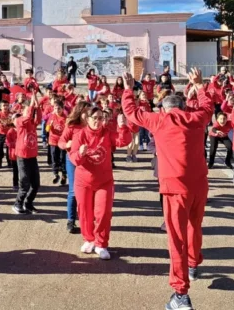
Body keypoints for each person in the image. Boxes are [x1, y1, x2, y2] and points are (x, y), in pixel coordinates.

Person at [122, 69, 212, 310]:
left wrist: (128, 89)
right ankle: (193, 265)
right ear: (183, 107)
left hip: (174, 187)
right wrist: (200, 86)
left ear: (164, 108)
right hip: (199, 184)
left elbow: (131, 112)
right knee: (195, 226)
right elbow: (208, 107)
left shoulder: (160, 120)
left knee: (176, 239)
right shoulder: (195, 119)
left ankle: (181, 293)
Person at [71, 106, 116, 260]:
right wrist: (80, 153)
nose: (98, 121)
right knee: (84, 213)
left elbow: (123, 140)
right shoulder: (80, 135)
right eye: (95, 118)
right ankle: (89, 239)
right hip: (83, 181)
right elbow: (74, 159)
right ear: (87, 119)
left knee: (103, 213)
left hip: (104, 181)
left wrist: (123, 126)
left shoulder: (107, 132)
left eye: (100, 118)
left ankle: (101, 243)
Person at [59, 101, 90, 234]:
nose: (88, 114)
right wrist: (67, 144)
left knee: (89, 190)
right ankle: (71, 220)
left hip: (88, 161)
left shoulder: (92, 125)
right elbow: (61, 142)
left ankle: (87, 219)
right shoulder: (72, 126)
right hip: (72, 160)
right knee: (73, 191)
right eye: (86, 111)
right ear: (80, 112)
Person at [13, 92, 41, 214]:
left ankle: (28, 203)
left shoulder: (32, 123)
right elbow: (27, 118)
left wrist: (37, 105)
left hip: (32, 156)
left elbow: (38, 118)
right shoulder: (19, 121)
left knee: (35, 184)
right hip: (22, 156)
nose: (30, 112)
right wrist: (31, 106)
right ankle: (18, 203)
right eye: (28, 109)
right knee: (24, 182)